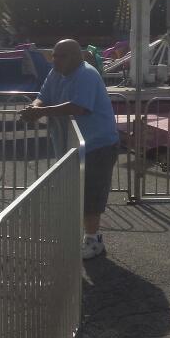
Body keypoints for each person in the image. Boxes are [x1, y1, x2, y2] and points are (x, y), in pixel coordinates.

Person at [19, 39, 118, 260]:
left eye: (61, 55)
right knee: (72, 192)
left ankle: (93, 240)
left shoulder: (87, 74)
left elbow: (79, 107)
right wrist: (34, 108)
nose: (55, 59)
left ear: (76, 57)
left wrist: (41, 112)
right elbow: (42, 97)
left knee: (92, 194)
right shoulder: (55, 73)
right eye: (54, 55)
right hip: (71, 146)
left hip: (97, 144)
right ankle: (80, 236)